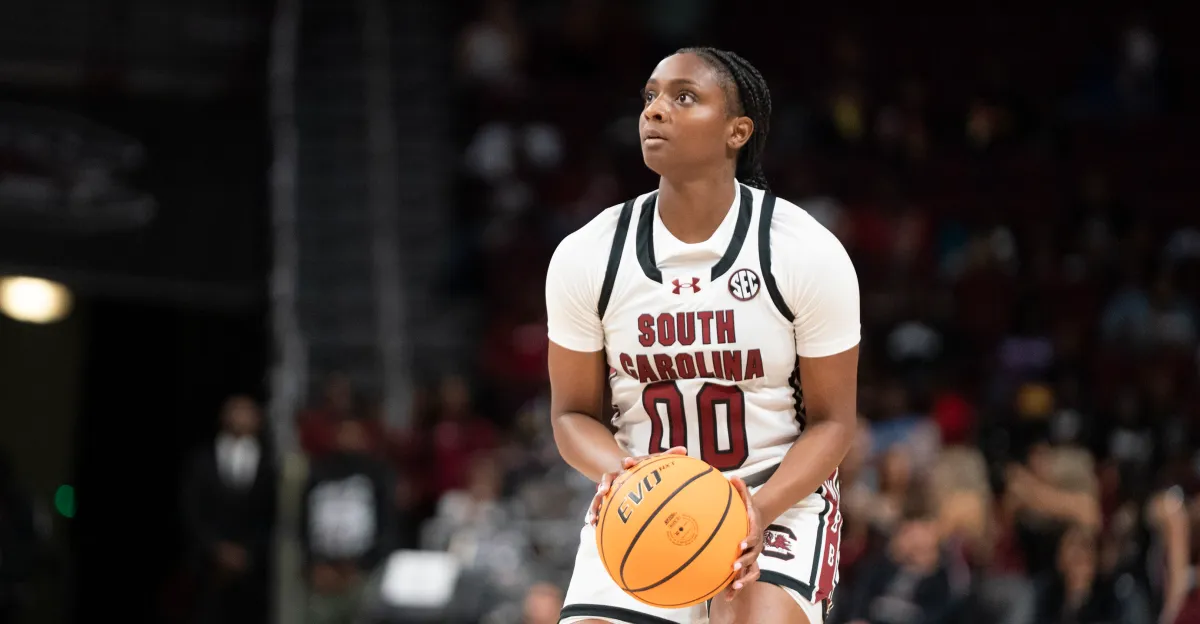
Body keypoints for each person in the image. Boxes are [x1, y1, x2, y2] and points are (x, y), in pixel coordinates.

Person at [545, 47, 860, 624]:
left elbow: (834, 422)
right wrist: (622, 476)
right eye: (650, 98)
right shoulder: (589, 254)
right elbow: (570, 416)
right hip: (644, 499)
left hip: (776, 496)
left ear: (737, 131)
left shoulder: (802, 250)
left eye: (683, 97)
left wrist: (756, 511)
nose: (655, 112)